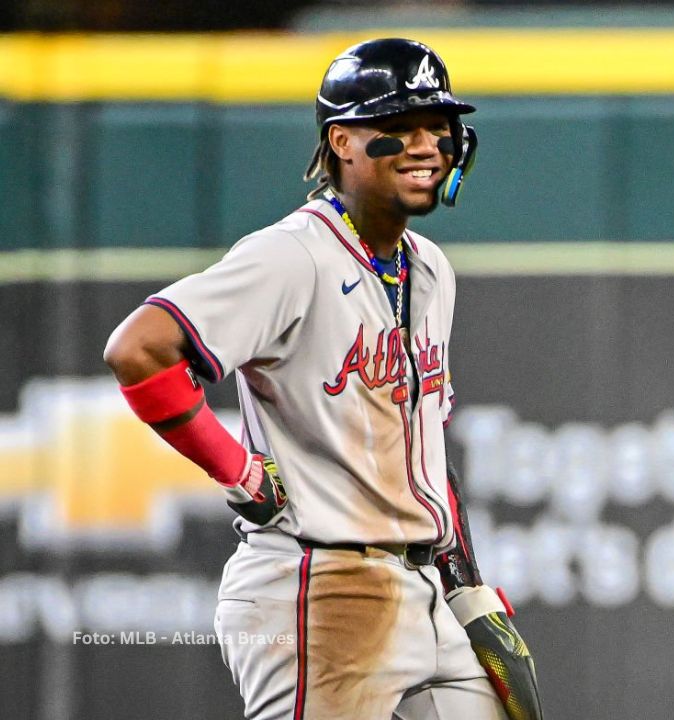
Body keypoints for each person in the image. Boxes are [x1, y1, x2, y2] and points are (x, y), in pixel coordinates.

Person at [103, 38, 540, 720]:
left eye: (438, 127)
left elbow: (423, 449)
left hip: (422, 583)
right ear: (341, 141)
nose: (426, 144)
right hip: (321, 583)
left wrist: (471, 591)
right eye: (398, 129)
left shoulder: (430, 269)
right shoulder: (291, 257)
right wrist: (238, 471)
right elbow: (139, 349)